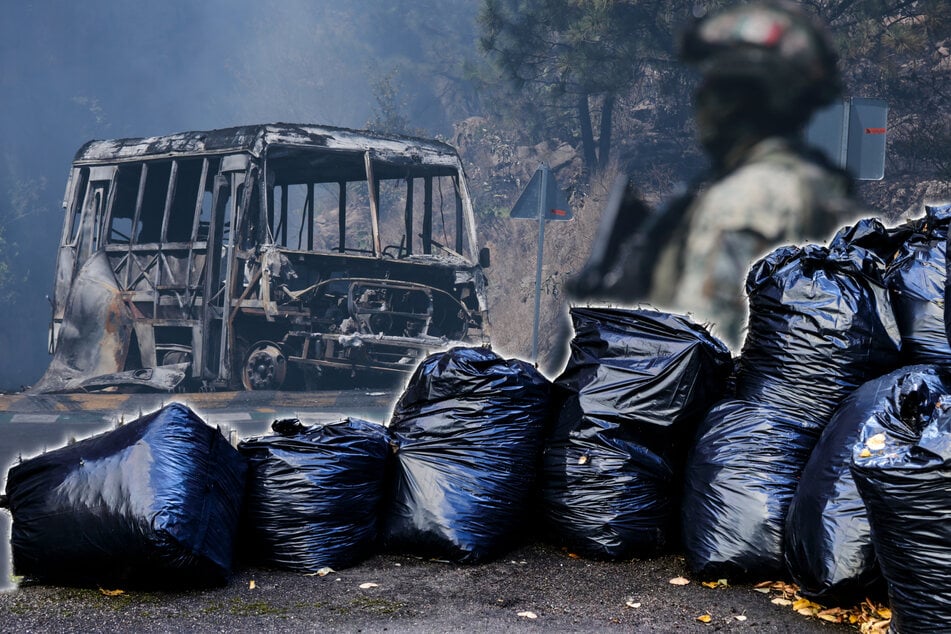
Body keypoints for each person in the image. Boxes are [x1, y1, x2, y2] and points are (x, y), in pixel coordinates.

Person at [569, 1, 860, 349]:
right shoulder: (816, 185)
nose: (703, 100)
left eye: (719, 87)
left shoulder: (747, 198)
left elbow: (702, 337)